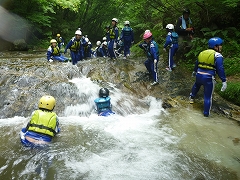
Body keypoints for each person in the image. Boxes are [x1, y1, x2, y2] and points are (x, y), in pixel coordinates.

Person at [189, 37, 227, 117]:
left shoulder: (202, 52)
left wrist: (194, 71)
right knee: (207, 97)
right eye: (220, 45)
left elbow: (197, 63)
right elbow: (220, 68)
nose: (221, 46)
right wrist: (224, 80)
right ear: (215, 46)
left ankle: (191, 98)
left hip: (199, 75)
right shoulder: (217, 55)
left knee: (196, 85)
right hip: (209, 78)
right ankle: (206, 114)